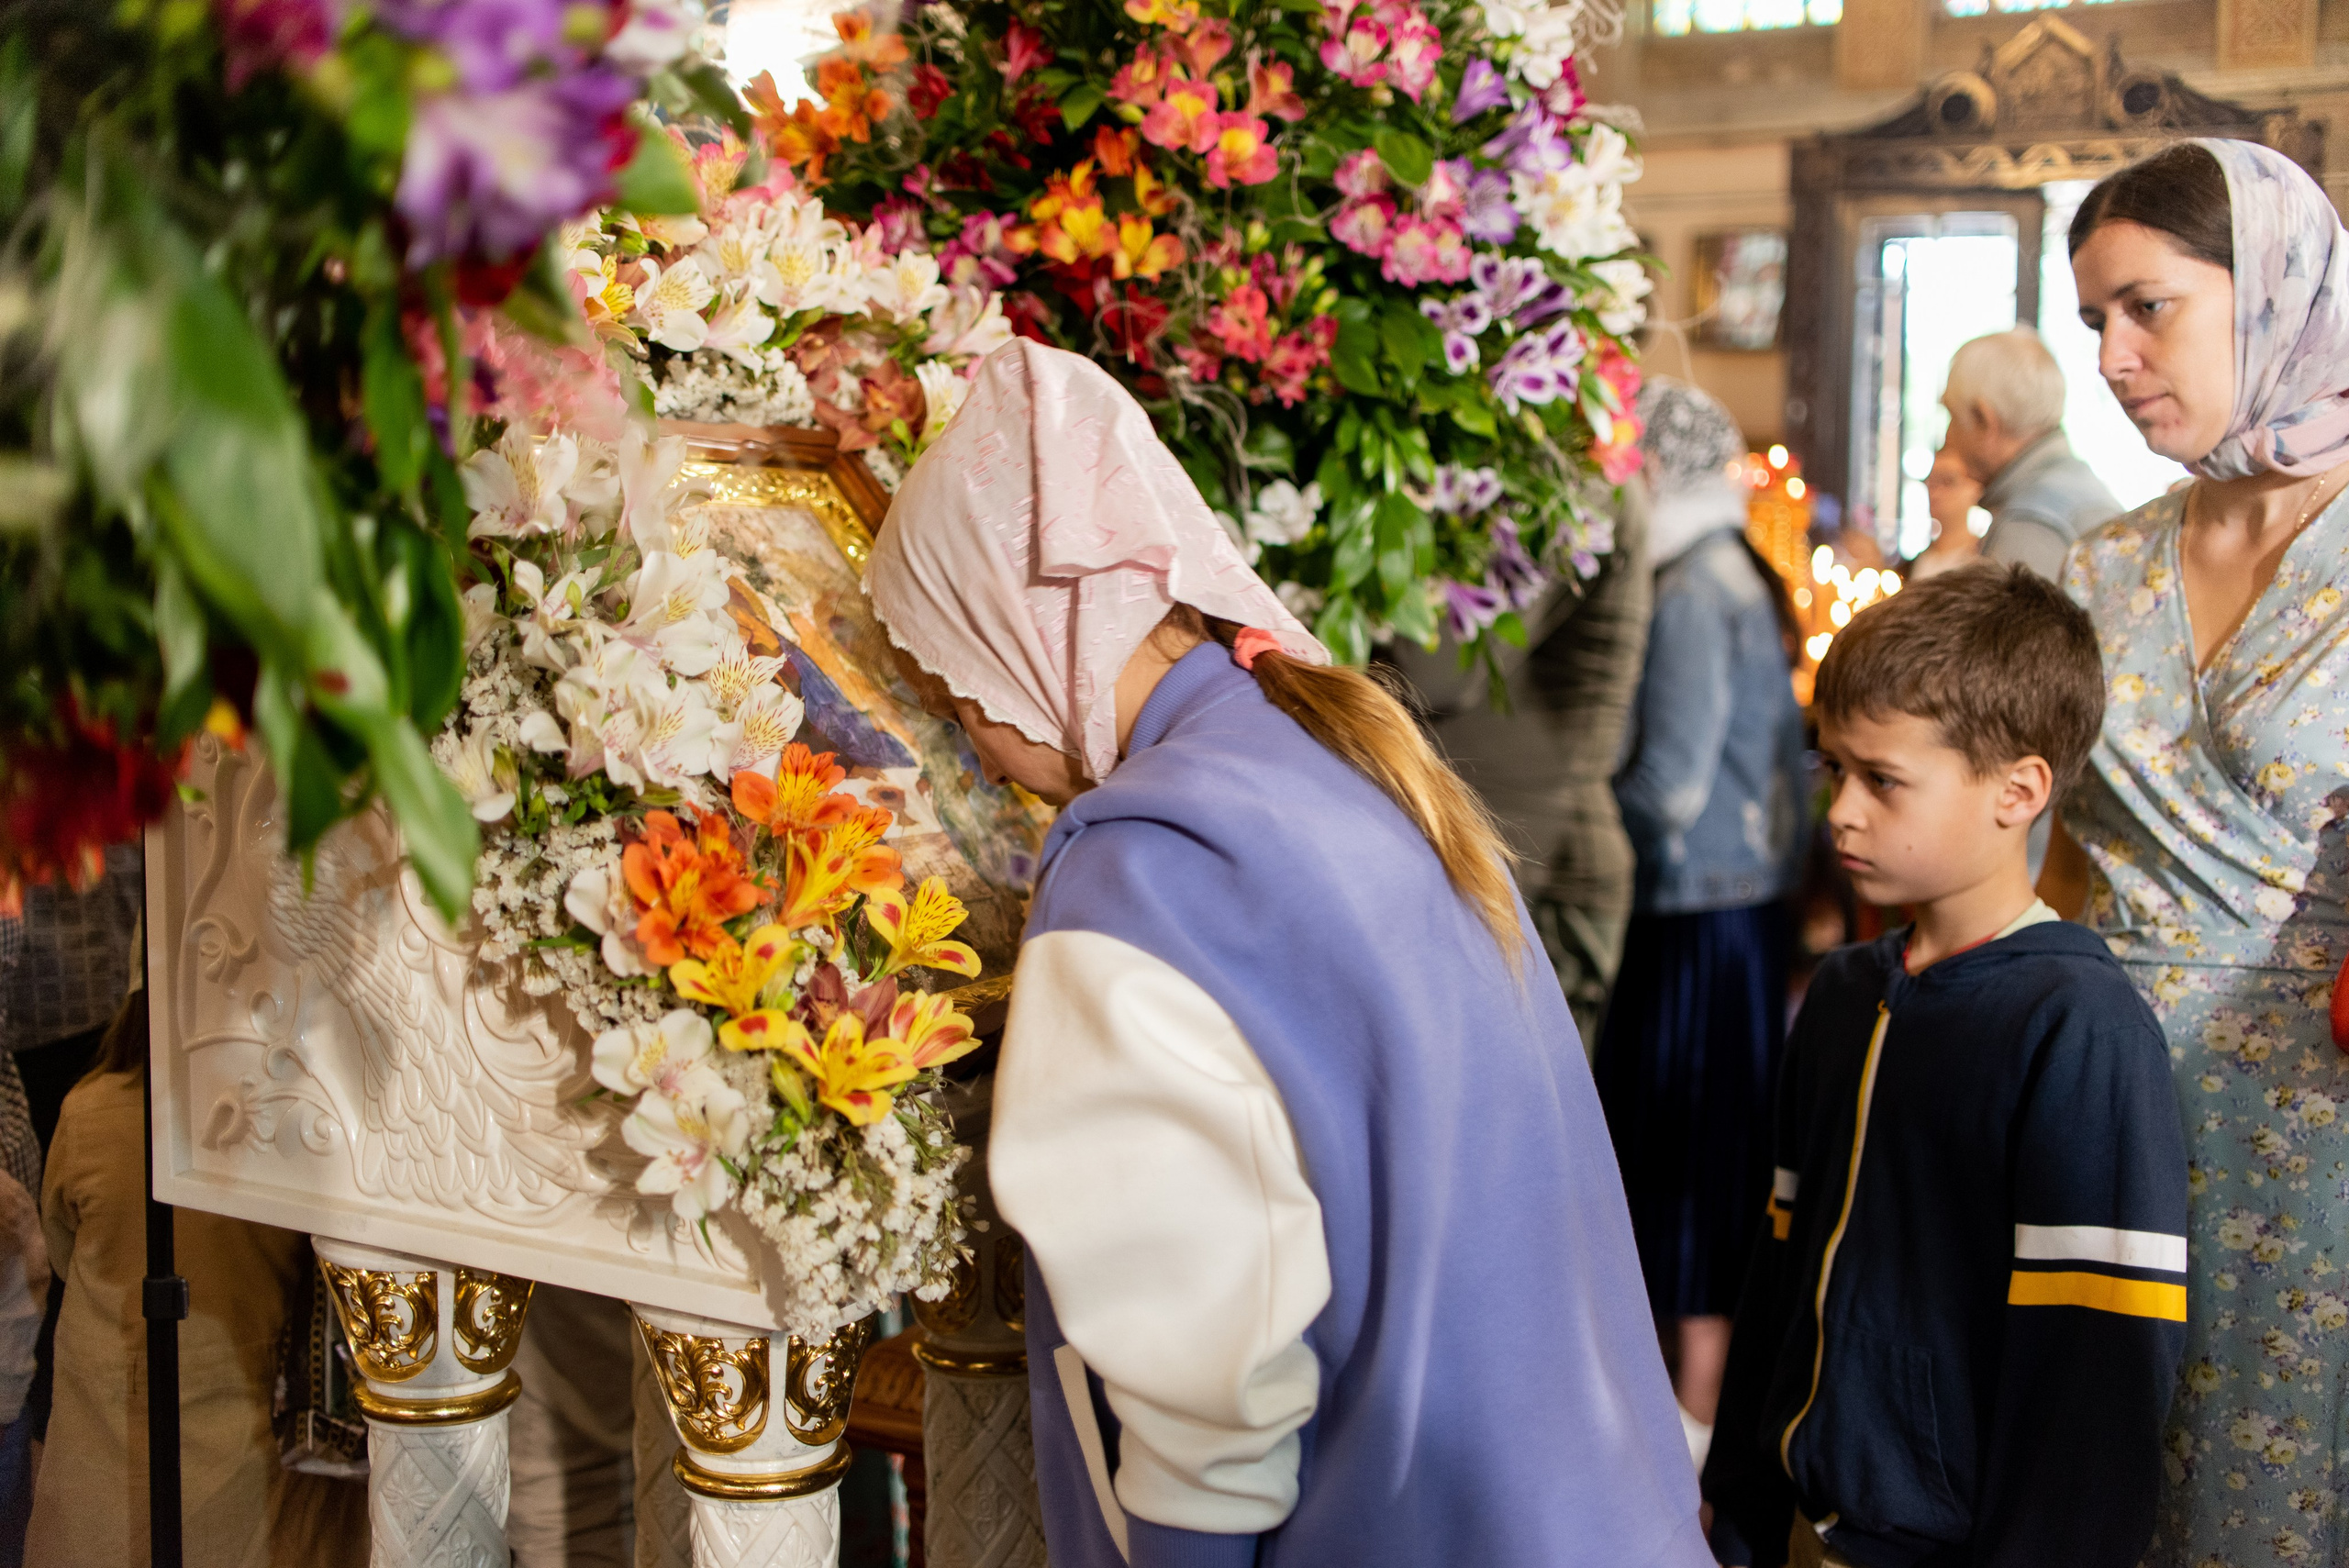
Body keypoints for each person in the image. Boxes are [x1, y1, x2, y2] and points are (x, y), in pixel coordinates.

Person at [864, 338, 1709, 1568]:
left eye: (955, 692)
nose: (974, 746)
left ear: (1019, 625)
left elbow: (1208, 1388)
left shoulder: (1141, 867)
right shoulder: (1337, 750)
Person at [1704, 563, 2187, 1568]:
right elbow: (1780, 1276)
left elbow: (2092, 1389)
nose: (1841, 811)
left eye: (1883, 779)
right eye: (1832, 768)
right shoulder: (1839, 995)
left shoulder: (2075, 1029)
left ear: (2018, 789)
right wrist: (1738, 1506)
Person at [2046, 137, 2349, 1566]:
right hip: (2101, 1118)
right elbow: (2048, 866)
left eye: (2147, 306)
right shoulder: (2098, 565)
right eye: (2093, 319)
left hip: (2321, 1137)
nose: (2112, 355)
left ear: (2275, 289)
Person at [1596, 379, 1808, 1456]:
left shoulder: (1688, 588)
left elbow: (1670, 783)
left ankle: (1692, 1417)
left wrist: (1574, 822)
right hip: (1739, 903)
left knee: (1681, 1145)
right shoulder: (1732, 574)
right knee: (1712, 1142)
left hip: (1694, 908)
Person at [23, 990, 364, 1567]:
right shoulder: (298, 1119)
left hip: (111, 1421)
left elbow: (60, 1249)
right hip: (251, 1420)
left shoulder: (90, 1109)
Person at [1392, 491, 1653, 1046]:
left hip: (1537, 868)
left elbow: (1437, 671)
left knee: (1513, 1123)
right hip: (1489, 855)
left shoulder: (1570, 485)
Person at [1940, 327, 2121, 580]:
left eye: (1952, 416)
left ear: (1985, 420)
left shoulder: (2029, 524)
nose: (1947, 437)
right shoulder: (2071, 486)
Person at [1907, 446, 1984, 581]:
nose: (1935, 493)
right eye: (1932, 483)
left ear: (1975, 486)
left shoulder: (1984, 558)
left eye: (1947, 482)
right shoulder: (1911, 565)